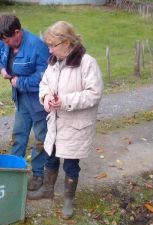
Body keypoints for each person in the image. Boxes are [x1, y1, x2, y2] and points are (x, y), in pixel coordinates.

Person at [27, 21, 103, 219]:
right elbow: (44, 84)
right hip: (55, 122)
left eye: (53, 45)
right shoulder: (54, 62)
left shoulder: (87, 63)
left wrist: (65, 101)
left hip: (75, 125)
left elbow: (94, 94)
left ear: (67, 42)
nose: (50, 50)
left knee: (70, 164)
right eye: (49, 46)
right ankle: (47, 190)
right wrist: (46, 98)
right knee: (50, 156)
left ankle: (68, 200)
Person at [0, 14, 49, 191]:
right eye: (3, 41)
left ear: (17, 32)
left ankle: (38, 175)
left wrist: (20, 82)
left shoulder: (37, 46)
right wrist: (1, 68)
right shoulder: (3, 39)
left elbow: (45, 77)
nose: (4, 44)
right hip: (22, 99)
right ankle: (15, 171)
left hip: (38, 100)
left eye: (7, 41)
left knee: (40, 140)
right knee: (19, 135)